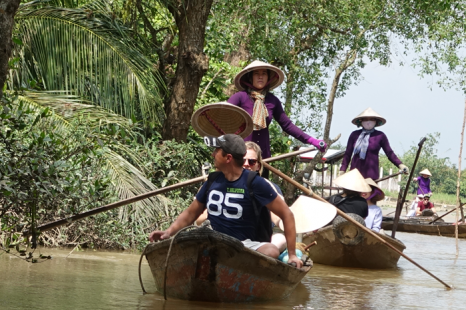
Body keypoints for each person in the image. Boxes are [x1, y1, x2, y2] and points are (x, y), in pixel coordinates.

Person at [149, 134, 302, 268]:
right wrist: (168, 232)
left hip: (244, 246)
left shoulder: (255, 183)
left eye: (217, 151)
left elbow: (287, 215)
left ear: (228, 158)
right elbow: (191, 213)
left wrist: (292, 254)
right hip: (213, 240)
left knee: (272, 251)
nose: (213, 154)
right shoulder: (213, 181)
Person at [227, 60, 326, 177]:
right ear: (250, 77)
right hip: (242, 158)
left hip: (261, 160)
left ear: (268, 77)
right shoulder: (240, 97)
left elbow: (287, 125)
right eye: (256, 73)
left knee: (260, 193)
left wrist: (311, 140)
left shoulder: (272, 100)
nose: (260, 76)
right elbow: (224, 114)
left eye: (264, 73)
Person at [340, 107, 408, 180]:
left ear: (376, 121)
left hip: (372, 176)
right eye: (365, 119)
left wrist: (400, 165)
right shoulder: (354, 135)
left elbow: (389, 153)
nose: (368, 122)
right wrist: (342, 169)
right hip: (355, 175)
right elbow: (348, 154)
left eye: (371, 119)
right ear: (361, 121)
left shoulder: (380, 136)